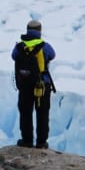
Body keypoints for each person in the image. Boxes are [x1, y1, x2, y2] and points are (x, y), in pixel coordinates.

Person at [12, 19, 57, 149]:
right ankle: (41, 143)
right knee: (42, 112)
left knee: (25, 111)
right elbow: (52, 55)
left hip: (24, 84)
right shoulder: (45, 46)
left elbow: (13, 56)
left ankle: (27, 141)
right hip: (42, 84)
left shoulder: (19, 47)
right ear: (39, 31)